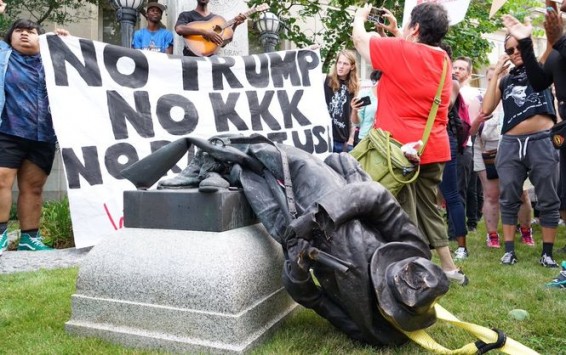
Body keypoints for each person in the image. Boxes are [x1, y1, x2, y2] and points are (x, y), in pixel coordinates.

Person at [352, 3, 468, 285]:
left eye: (407, 26)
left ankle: (407, 265)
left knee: (395, 208)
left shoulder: (400, 51)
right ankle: (450, 268)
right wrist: (395, 32)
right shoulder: (443, 60)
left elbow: (359, 39)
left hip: (398, 150)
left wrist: (360, 17)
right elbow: (415, 56)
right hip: (433, 147)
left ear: (415, 28)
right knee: (429, 208)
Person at [482, 34, 560, 267]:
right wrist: (496, 74)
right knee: (509, 197)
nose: (514, 52)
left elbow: (552, 40)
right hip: (511, 143)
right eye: (509, 50)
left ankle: (547, 254)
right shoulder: (505, 80)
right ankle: (509, 250)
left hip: (541, 140)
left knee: (548, 197)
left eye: (518, 47)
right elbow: (486, 108)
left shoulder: (542, 67)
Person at [0, 0, 70, 255]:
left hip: (43, 135)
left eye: (31, 31)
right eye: (19, 30)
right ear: (10, 39)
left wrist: (65, 44)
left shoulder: (53, 61)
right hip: (8, 131)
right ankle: (0, 237)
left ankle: (30, 239)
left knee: (34, 188)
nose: (25, 33)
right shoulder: (3, 56)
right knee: (1, 182)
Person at [471, 67, 535, 249]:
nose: (496, 82)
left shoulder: (517, 98)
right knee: (491, 194)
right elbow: (471, 131)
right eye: (492, 78)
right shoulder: (480, 101)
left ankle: (525, 231)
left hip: (515, 149)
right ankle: (492, 236)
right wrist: (479, 121)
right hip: (485, 151)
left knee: (521, 193)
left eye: (500, 78)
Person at [452, 56, 482, 232]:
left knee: (466, 187)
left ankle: (468, 223)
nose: (456, 71)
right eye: (454, 67)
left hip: (466, 144)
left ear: (469, 73)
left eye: (461, 68)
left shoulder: (472, 95)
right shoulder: (449, 90)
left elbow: (471, 124)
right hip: (450, 143)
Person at [174, 0, 246, 57]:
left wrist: (235, 25)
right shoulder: (186, 15)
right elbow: (179, 29)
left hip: (211, 60)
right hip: (191, 59)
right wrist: (205, 32)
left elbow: (223, 43)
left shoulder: (217, 19)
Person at [324, 49, 361, 153]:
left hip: (343, 141)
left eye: (345, 64)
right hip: (326, 138)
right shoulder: (326, 80)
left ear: (352, 66)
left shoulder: (354, 87)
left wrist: (351, 139)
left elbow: (354, 119)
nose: (341, 66)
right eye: (339, 62)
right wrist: (310, 50)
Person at [352, 70, 381, 146]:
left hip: (384, 141)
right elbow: (357, 122)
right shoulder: (365, 93)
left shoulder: (392, 96)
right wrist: (354, 111)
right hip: (365, 139)